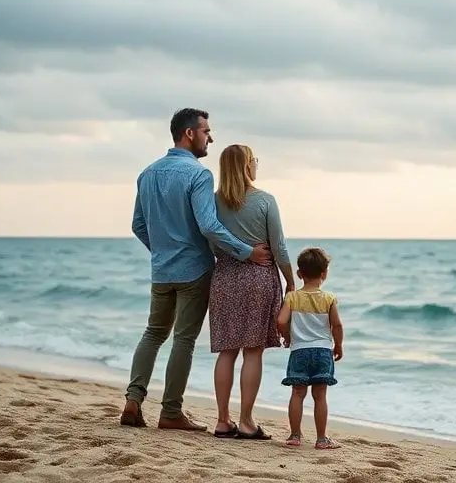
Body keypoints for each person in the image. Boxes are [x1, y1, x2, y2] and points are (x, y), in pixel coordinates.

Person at [120, 109, 271, 431]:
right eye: (206, 131)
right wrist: (247, 253)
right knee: (184, 340)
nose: (210, 138)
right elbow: (209, 225)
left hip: (161, 271)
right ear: (189, 133)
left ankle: (133, 399)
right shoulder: (199, 175)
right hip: (194, 270)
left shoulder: (148, 173)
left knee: (153, 333)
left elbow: (138, 225)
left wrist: (162, 251)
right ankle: (171, 412)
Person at [207, 144, 295, 440]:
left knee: (227, 351)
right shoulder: (264, 200)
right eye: (254, 160)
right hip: (259, 278)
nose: (256, 164)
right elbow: (279, 247)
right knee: (253, 352)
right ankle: (246, 421)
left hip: (225, 277)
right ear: (247, 166)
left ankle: (222, 420)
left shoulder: (212, 202)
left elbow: (211, 243)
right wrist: (291, 281)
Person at [276, 247, 344, 450]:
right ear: (324, 273)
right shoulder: (329, 298)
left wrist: (288, 338)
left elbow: (281, 320)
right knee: (320, 395)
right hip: (323, 351)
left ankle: (295, 435)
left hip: (299, 351)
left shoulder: (292, 298)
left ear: (299, 274)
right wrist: (338, 344)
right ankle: (322, 439)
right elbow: (337, 325)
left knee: (297, 393)